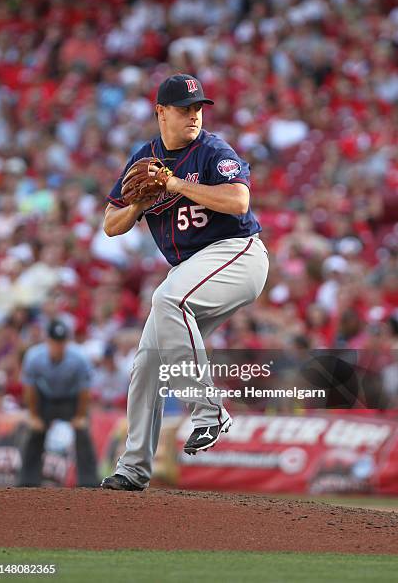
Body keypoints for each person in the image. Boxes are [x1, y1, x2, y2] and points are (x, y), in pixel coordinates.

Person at [101, 74, 269, 491]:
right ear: (160, 112)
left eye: (198, 108)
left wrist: (174, 184)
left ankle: (209, 410)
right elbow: (110, 224)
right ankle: (134, 467)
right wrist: (140, 202)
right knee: (147, 362)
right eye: (184, 108)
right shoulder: (144, 159)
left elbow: (239, 200)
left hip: (237, 253)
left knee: (168, 298)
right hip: (191, 270)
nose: (194, 115)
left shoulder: (212, 150)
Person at [18, 319, 98, 487]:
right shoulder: (34, 356)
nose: (58, 346)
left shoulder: (79, 358)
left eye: (61, 342)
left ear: (66, 342)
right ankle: (27, 483)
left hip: (71, 399)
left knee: (82, 431)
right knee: (34, 433)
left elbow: (85, 391)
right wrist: (33, 415)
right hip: (44, 399)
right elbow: (29, 388)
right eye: (55, 342)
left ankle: (89, 483)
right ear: (48, 341)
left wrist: (80, 416)